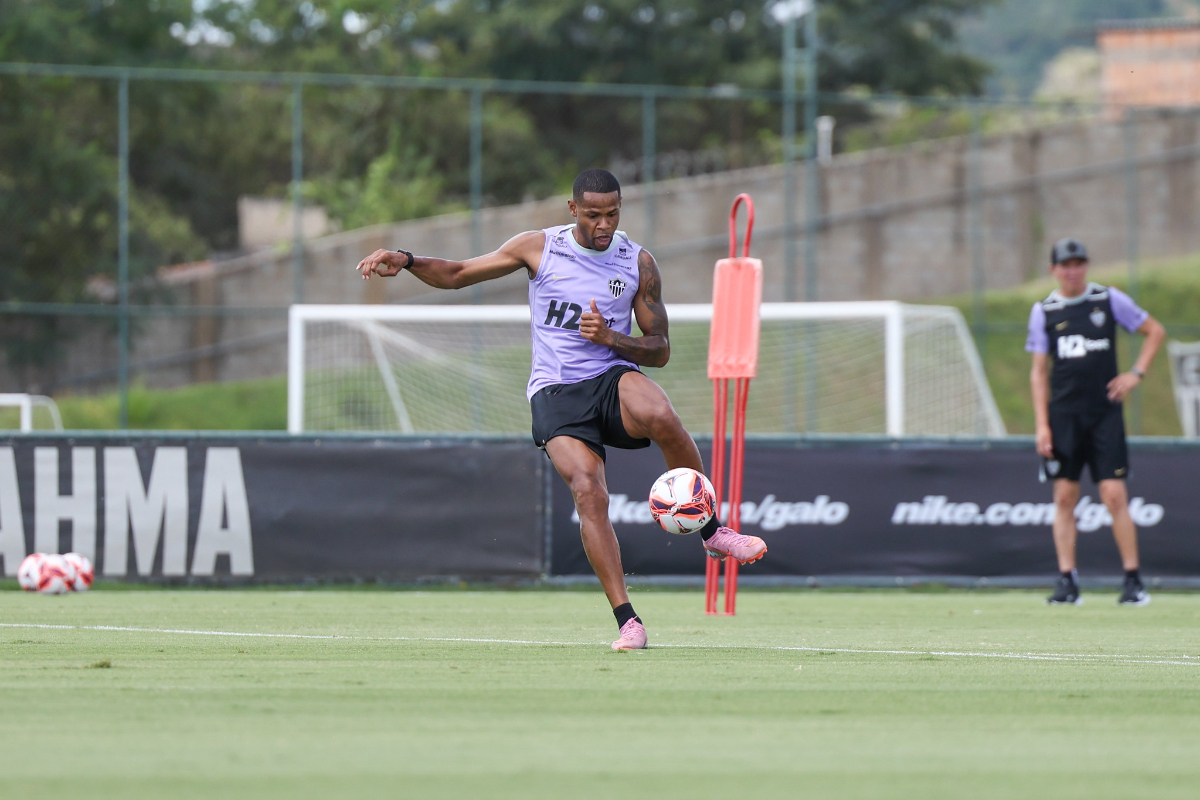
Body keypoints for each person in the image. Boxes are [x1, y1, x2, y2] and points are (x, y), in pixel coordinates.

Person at [356, 169, 767, 648]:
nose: (604, 225)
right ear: (573, 210)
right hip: (554, 391)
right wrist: (406, 259)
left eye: (612, 214)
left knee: (659, 412)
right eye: (593, 214)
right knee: (589, 490)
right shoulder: (539, 248)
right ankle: (628, 622)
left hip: (610, 379)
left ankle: (713, 531)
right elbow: (458, 274)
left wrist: (611, 338)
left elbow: (661, 350)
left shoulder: (638, 262)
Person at [1026, 237, 1165, 606]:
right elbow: (1039, 372)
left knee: (1114, 494)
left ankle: (1133, 581)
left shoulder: (1107, 299)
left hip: (1104, 415)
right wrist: (1042, 424)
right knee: (1064, 496)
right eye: (1065, 264)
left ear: (1085, 266)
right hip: (1064, 417)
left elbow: (1154, 331)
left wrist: (1136, 373)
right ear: (1054, 269)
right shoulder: (1045, 311)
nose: (1073, 270)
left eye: (1079, 263)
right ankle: (1067, 581)